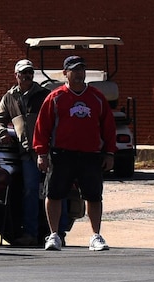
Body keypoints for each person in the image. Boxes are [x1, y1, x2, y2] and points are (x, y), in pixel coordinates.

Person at [35, 55, 117, 252]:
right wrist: (41, 153)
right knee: (54, 193)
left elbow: (108, 127)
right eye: (74, 70)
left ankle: (96, 235)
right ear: (65, 73)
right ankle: (54, 235)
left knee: (93, 196)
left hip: (90, 155)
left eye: (81, 70)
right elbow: (42, 127)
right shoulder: (55, 98)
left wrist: (110, 153)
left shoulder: (96, 97)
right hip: (62, 154)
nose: (79, 74)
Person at [0, 60, 49, 246]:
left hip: (48, 151)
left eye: (30, 73)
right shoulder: (9, 98)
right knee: (30, 192)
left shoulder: (44, 95)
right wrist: (1, 133)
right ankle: (31, 234)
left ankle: (58, 233)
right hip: (26, 153)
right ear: (16, 75)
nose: (27, 76)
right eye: (23, 73)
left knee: (54, 192)